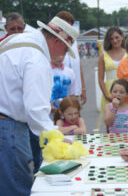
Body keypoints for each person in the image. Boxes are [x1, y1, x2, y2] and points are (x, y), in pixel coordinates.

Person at [0, 13, 78, 195]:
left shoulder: (15, 41)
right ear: (57, 41)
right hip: (8, 129)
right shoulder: (37, 57)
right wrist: (55, 135)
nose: (64, 56)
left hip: (5, 123)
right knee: (17, 189)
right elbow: (36, 109)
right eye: (66, 50)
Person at [57, 11, 87, 105]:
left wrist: (83, 88)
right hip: (60, 92)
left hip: (75, 92)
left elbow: (78, 65)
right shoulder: (53, 43)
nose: (67, 29)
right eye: (65, 26)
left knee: (74, 117)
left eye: (69, 26)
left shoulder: (73, 42)